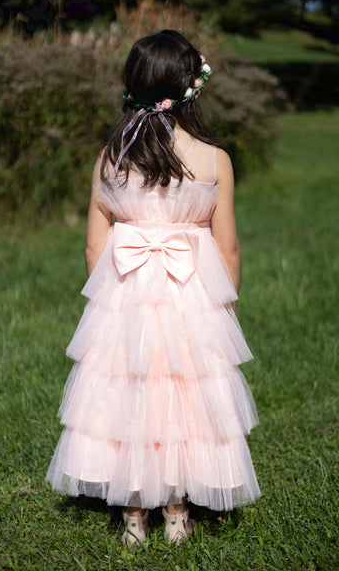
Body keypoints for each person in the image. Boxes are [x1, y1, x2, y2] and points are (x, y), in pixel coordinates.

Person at [46, 30, 261, 548]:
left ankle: (133, 517)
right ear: (191, 86)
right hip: (192, 296)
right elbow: (227, 246)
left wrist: (113, 296)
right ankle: (177, 513)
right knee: (184, 397)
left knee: (130, 396)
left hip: (126, 294)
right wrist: (224, 303)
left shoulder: (111, 157)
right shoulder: (214, 160)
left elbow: (95, 247)